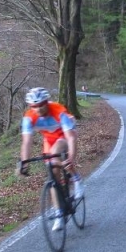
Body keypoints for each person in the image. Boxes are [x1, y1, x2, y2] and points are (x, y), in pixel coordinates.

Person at [18, 87, 84, 231]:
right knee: (52, 175)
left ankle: (76, 177)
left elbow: (71, 138)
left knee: (56, 152)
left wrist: (71, 157)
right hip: (49, 139)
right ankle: (59, 212)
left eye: (41, 104)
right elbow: (27, 142)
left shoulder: (59, 111)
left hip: (65, 136)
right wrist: (24, 162)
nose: (38, 108)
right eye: (34, 106)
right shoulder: (28, 118)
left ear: (47, 102)